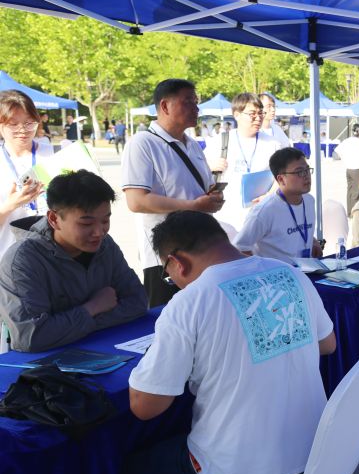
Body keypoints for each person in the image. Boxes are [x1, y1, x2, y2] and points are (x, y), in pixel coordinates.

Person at [103, 210, 336, 474]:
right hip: (314, 462)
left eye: (168, 274)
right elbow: (327, 344)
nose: (174, 282)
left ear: (177, 262)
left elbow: (145, 406)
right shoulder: (289, 274)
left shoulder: (190, 302)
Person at [0, 170, 146, 353]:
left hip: (103, 351)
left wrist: (73, 325)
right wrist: (92, 307)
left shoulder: (105, 245)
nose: (99, 232)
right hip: (46, 366)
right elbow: (32, 336)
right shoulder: (21, 261)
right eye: (86, 224)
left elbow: (138, 302)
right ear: (54, 219)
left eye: (105, 221)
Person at [121, 79, 224, 307]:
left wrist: (213, 198)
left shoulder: (193, 145)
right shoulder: (142, 143)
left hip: (201, 249)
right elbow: (137, 201)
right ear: (165, 106)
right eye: (188, 102)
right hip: (166, 256)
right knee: (167, 318)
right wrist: (194, 206)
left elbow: (204, 188)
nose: (196, 108)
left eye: (196, 102)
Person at [204, 92, 281, 235]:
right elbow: (198, 170)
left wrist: (269, 195)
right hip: (226, 218)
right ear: (236, 114)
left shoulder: (273, 144)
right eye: (252, 114)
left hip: (262, 215)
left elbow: (282, 177)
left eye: (260, 113)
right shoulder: (220, 141)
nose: (258, 118)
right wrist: (210, 166)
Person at [234, 148, 323, 264]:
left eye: (307, 170)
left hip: (307, 269)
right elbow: (239, 247)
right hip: (279, 274)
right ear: (281, 179)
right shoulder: (264, 211)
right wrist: (260, 269)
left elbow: (296, 230)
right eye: (299, 172)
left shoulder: (309, 200)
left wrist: (312, 241)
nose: (306, 176)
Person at [0, 91, 55, 258]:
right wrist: (10, 205)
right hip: (7, 260)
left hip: (53, 258)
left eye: (29, 123)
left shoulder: (55, 154)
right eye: (13, 124)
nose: (23, 130)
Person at [337, 124, 359, 215]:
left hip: (349, 169)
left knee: (350, 191)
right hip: (358, 169)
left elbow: (337, 151)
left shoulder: (346, 140)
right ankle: (357, 213)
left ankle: (350, 212)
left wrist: (345, 160)